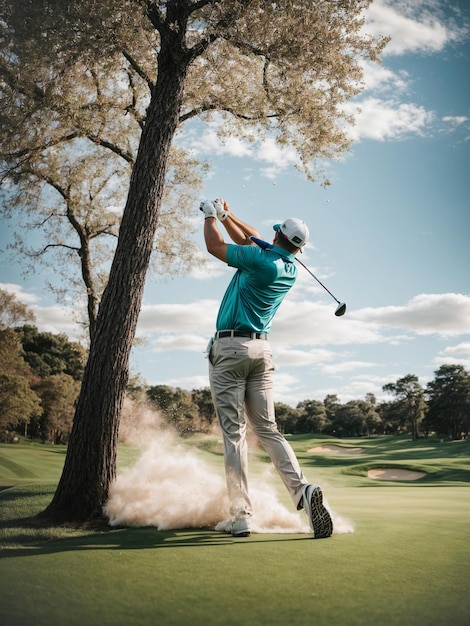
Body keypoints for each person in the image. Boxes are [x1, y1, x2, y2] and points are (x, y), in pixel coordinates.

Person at [200, 197, 333, 539]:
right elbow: (252, 237)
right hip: (262, 353)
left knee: (235, 435)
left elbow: (216, 246)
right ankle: (302, 490)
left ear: (278, 238)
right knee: (269, 430)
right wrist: (229, 215)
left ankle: (241, 514)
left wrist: (211, 216)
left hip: (230, 349)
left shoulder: (259, 261)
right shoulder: (287, 267)